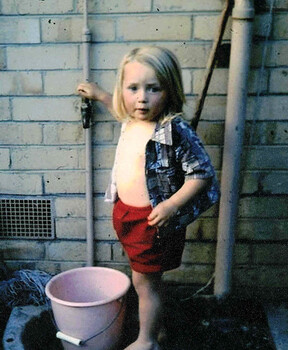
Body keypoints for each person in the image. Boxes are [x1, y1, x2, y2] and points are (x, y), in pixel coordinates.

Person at [77, 46, 219, 350]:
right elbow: (118, 108)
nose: (142, 97)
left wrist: (171, 204)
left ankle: (147, 341)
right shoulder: (131, 117)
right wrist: (100, 94)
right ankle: (158, 330)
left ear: (168, 91)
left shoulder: (172, 129)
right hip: (126, 214)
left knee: (144, 283)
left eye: (152, 89)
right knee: (147, 281)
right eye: (133, 88)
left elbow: (202, 172)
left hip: (152, 222)